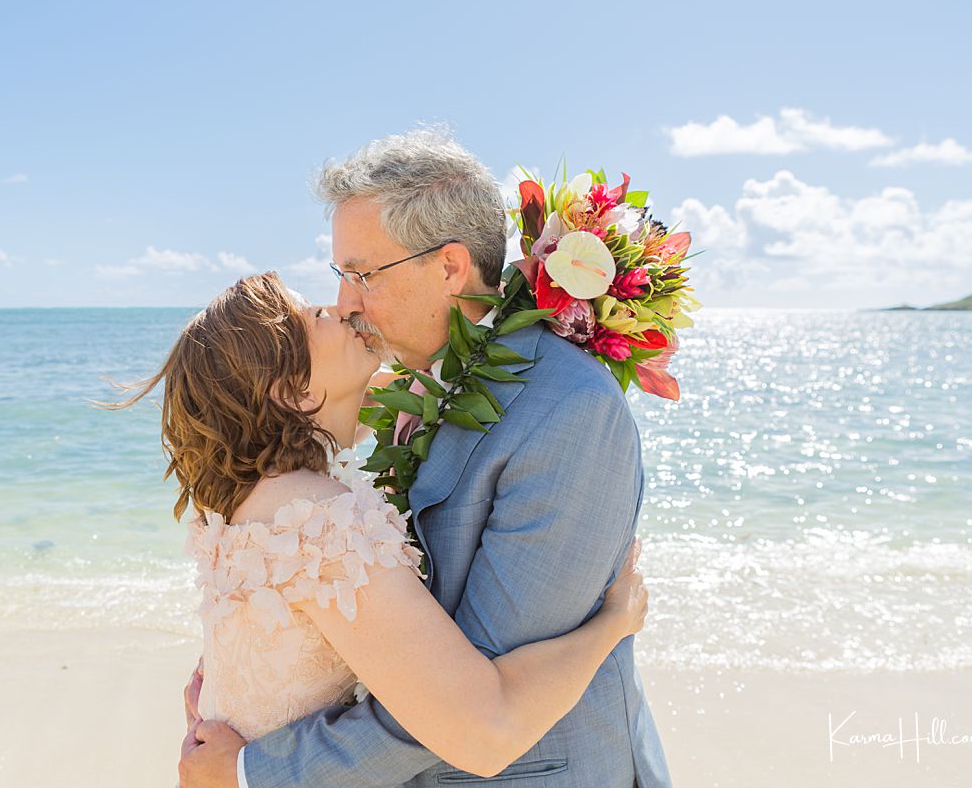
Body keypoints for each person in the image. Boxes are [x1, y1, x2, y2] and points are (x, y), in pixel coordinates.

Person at [179, 128, 672, 787]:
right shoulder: (396, 379)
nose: (346, 302)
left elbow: (475, 700)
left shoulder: (567, 412)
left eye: (362, 275)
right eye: (339, 276)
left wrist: (251, 770)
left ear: (447, 267)